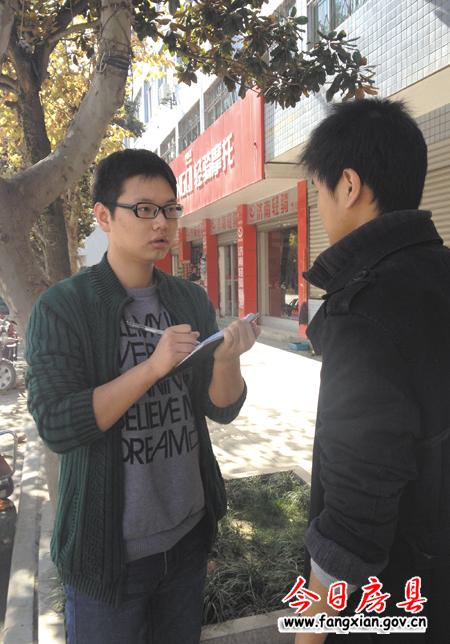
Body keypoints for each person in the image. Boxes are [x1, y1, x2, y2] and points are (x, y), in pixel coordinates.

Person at [25, 149, 259, 644]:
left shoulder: (188, 299)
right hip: (110, 555)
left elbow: (221, 407)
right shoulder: (64, 308)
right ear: (104, 215)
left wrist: (227, 359)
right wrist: (152, 368)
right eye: (145, 209)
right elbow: (58, 424)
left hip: (187, 537)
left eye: (170, 209)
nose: (162, 223)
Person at [295, 99, 449, 643]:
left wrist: (308, 634)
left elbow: (354, 514)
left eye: (318, 190)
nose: (320, 206)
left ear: (349, 186)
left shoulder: (365, 309)